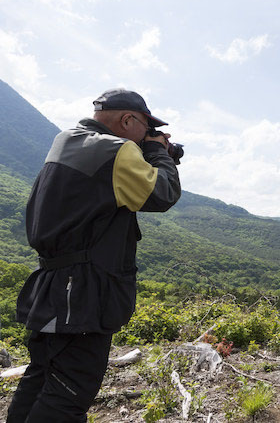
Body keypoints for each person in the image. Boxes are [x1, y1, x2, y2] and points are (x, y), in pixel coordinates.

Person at [6, 89, 182, 422]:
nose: (146, 135)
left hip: (51, 287)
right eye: (146, 127)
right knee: (69, 393)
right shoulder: (115, 150)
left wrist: (147, 146)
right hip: (84, 295)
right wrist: (158, 152)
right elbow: (163, 193)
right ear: (127, 120)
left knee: (40, 377)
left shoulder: (67, 140)